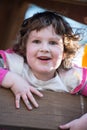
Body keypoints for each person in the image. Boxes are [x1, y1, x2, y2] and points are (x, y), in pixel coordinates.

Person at [0, 11, 87, 130]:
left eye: (53, 43)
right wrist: (12, 79)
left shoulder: (72, 77)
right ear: (24, 48)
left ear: (65, 52)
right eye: (36, 41)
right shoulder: (14, 64)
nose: (44, 49)